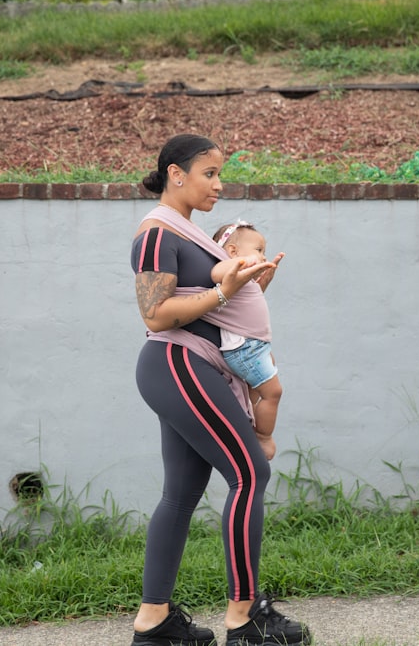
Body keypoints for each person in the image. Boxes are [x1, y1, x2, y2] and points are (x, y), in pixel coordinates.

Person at [129, 133, 311, 646]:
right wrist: (222, 291)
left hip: (185, 367)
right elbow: (155, 313)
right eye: (209, 173)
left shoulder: (189, 233)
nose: (219, 184)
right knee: (251, 473)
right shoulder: (156, 234)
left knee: (181, 494)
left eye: (219, 174)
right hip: (178, 363)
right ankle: (244, 617)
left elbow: (219, 309)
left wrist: (249, 288)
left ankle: (154, 623)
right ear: (175, 174)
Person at [210, 221, 283, 463]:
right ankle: (262, 436)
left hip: (254, 347)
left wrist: (260, 277)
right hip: (245, 349)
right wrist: (243, 264)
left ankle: (245, 421)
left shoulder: (245, 281)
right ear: (232, 252)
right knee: (273, 392)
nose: (262, 256)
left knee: (258, 390)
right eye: (258, 250)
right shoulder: (226, 271)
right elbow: (216, 272)